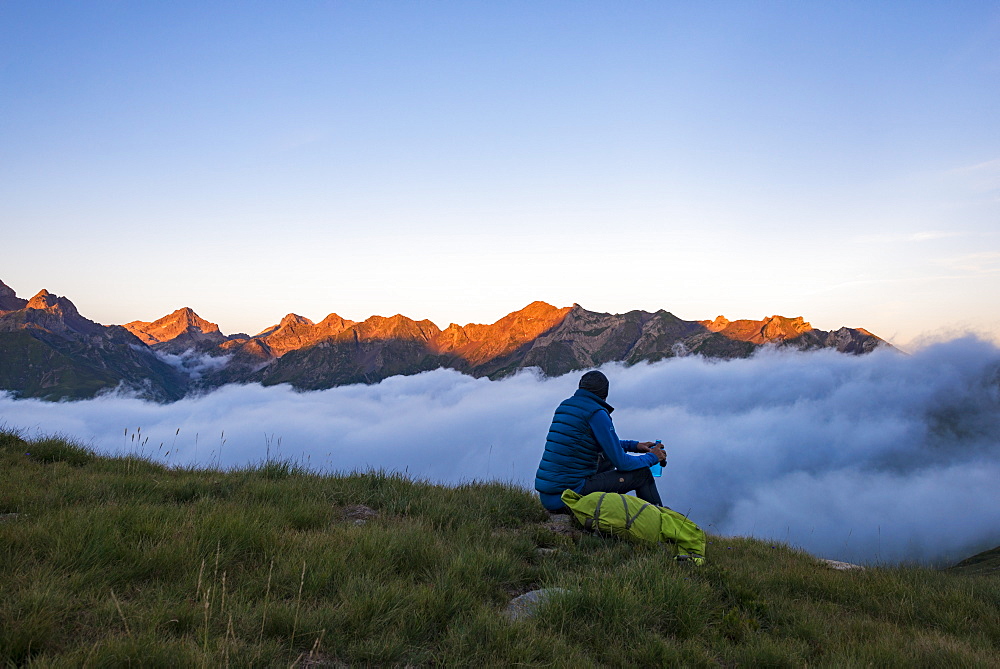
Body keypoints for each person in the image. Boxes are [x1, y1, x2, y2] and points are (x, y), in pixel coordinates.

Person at [534, 370, 667, 512]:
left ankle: (612, 508)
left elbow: (599, 443)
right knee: (642, 474)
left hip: (549, 496)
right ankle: (661, 519)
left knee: (607, 458)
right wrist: (653, 457)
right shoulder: (596, 413)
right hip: (568, 496)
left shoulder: (566, 406)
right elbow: (622, 463)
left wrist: (634, 446)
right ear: (605, 394)